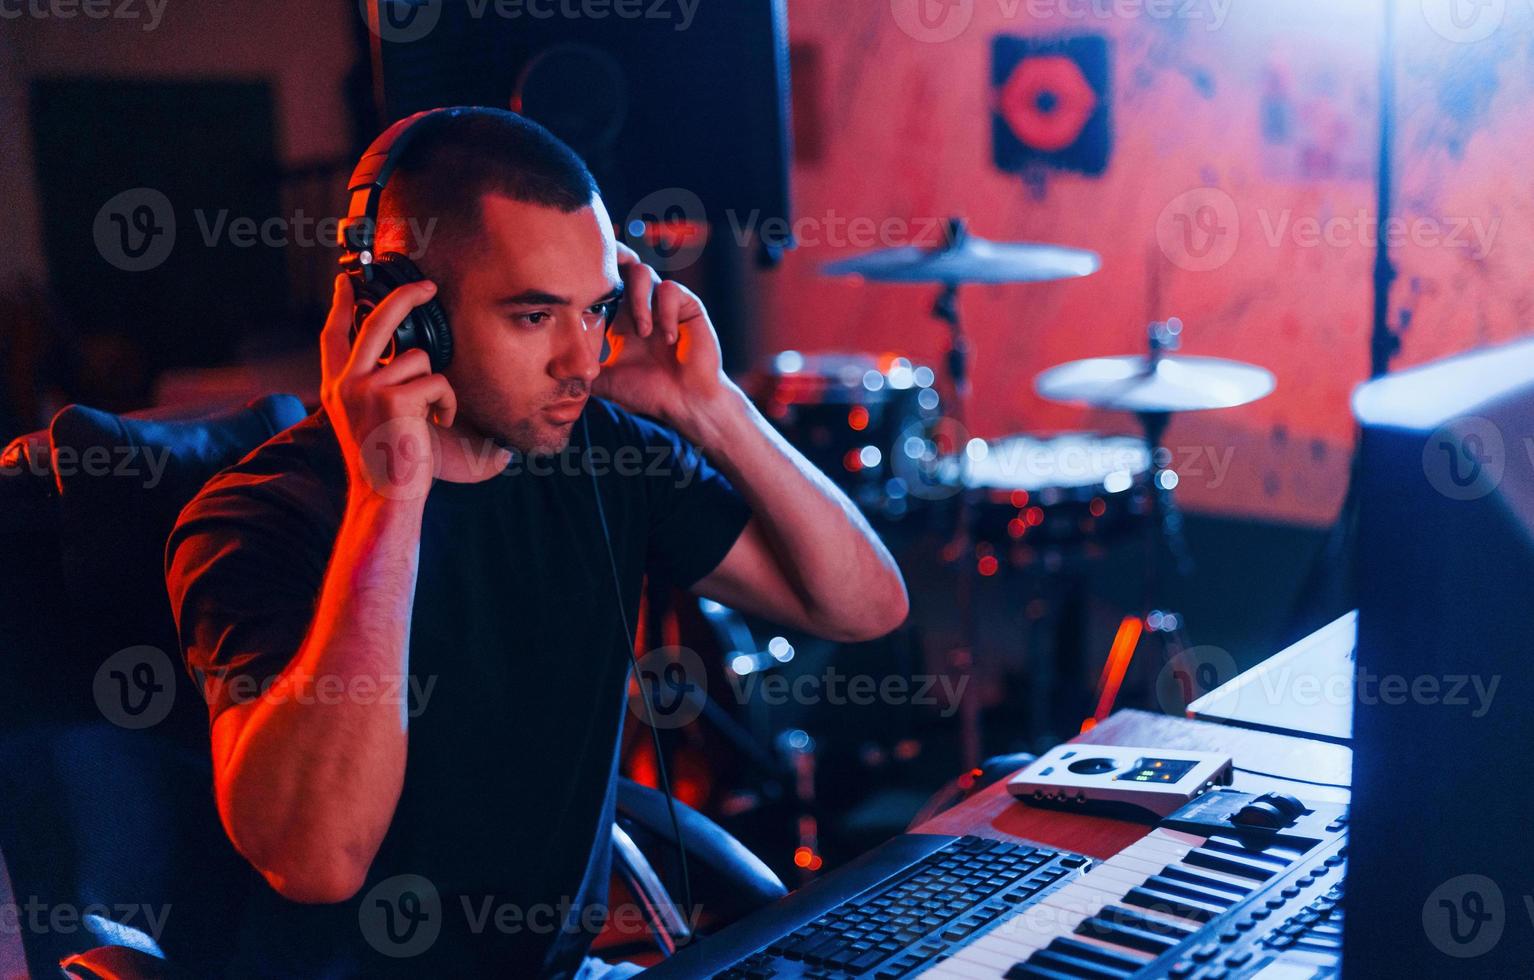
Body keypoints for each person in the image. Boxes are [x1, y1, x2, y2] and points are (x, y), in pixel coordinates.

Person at [164, 107, 908, 978]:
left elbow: (865, 607)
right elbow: (316, 860)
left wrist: (711, 410)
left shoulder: (606, 454)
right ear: (407, 320)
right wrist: (389, 494)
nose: (582, 360)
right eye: (532, 317)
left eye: (595, 310)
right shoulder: (253, 518)